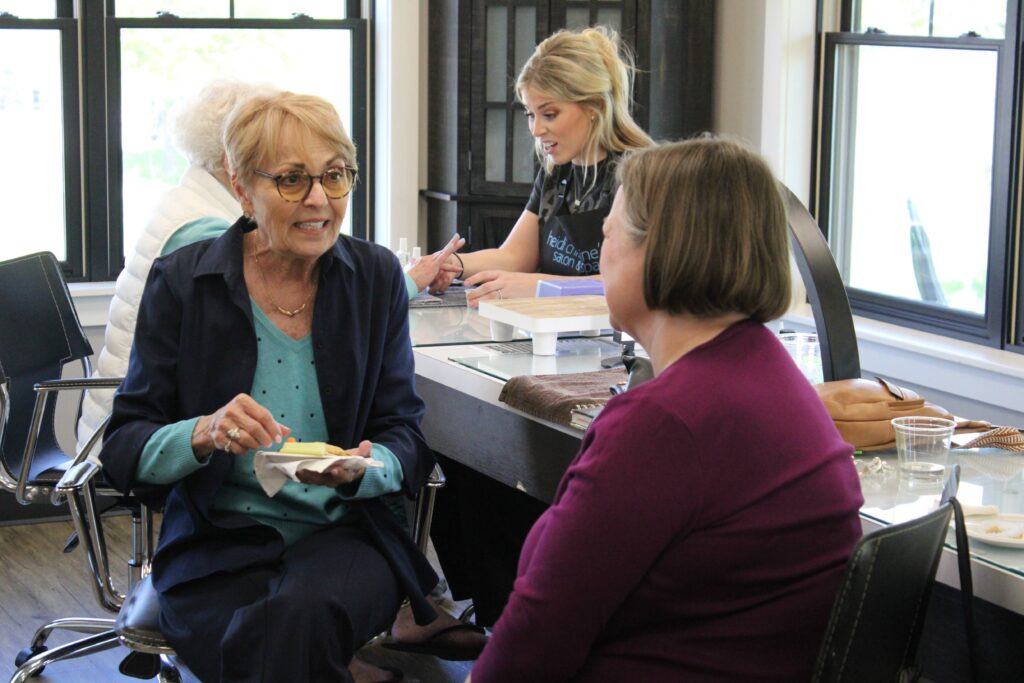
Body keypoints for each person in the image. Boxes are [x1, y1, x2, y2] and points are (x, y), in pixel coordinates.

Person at [468, 138, 865, 682]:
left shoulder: (665, 426)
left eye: (608, 233)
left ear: (658, 252)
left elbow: (533, 645)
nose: (601, 251)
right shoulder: (769, 373)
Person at [100, 91, 439, 683]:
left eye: (335, 176)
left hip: (346, 537)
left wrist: (370, 464)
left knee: (286, 627)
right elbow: (125, 448)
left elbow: (404, 434)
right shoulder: (186, 282)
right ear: (240, 188)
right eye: (291, 180)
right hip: (214, 546)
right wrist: (203, 432)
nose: (319, 200)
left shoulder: (376, 278)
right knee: (275, 640)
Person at [76, 79, 277, 456]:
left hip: (133, 414)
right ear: (231, 159)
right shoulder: (205, 231)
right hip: (136, 435)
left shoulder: (189, 197)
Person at [429, 26, 652, 306]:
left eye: (549, 114)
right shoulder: (557, 174)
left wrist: (540, 286)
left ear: (594, 106)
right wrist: (451, 263)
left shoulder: (640, 177)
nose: (535, 130)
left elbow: (633, 282)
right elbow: (515, 255)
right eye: (530, 114)